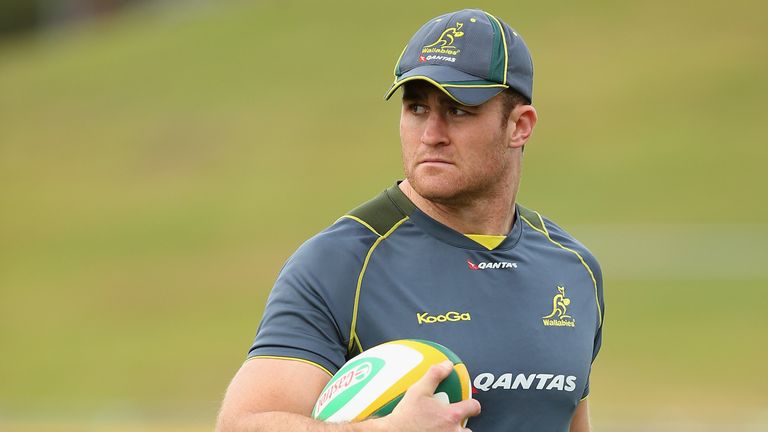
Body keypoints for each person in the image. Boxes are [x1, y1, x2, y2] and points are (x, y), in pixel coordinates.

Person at [217, 8, 604, 432]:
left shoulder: (573, 268)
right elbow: (243, 424)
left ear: (519, 126)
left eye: (458, 111)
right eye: (417, 108)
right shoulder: (339, 263)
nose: (431, 133)